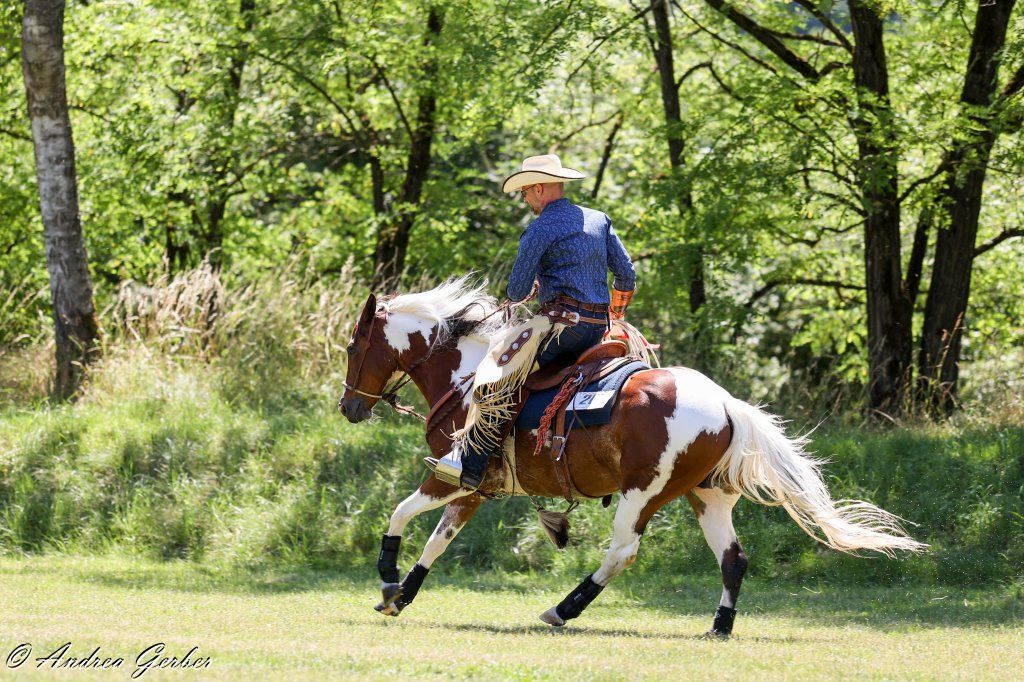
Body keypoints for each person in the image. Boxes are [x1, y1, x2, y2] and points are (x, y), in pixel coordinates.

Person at [425, 154, 636, 490]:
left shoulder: (539, 229)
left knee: (497, 375)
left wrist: (533, 285)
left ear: (539, 188)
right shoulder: (599, 219)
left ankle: (472, 465)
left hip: (562, 330)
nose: (524, 198)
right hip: (599, 328)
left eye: (525, 191)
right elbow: (627, 275)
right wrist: (616, 315)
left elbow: (516, 289)